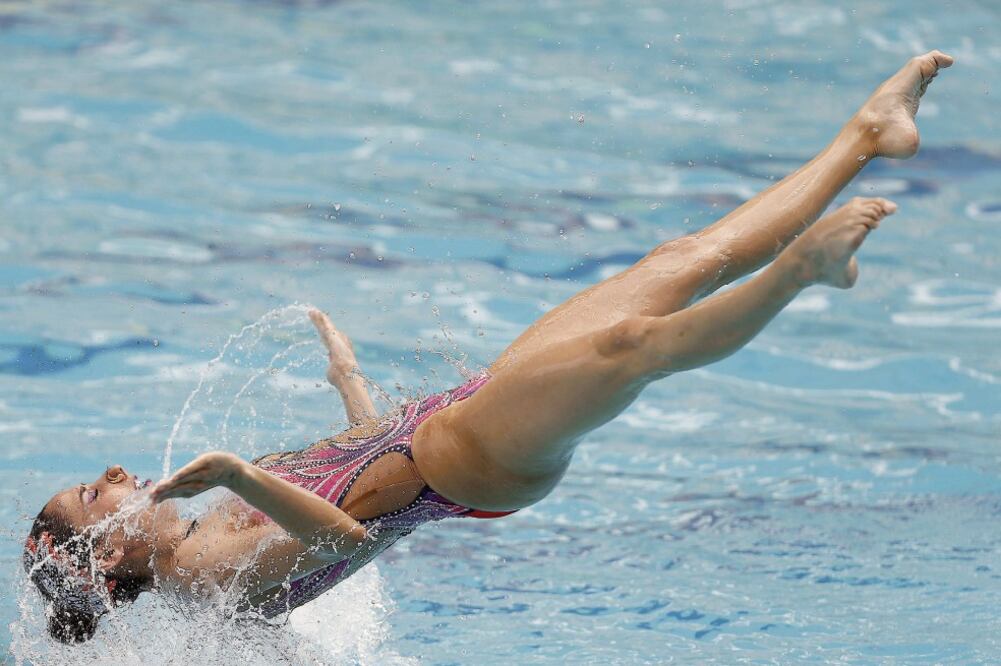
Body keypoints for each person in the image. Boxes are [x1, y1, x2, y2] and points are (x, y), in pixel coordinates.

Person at [23, 51, 953, 643]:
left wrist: (349, 384)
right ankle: (801, 272)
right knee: (634, 344)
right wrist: (233, 469)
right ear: (105, 561)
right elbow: (342, 533)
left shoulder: (192, 542)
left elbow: (350, 487)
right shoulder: (199, 574)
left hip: (449, 422)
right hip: (472, 464)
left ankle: (866, 135)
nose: (111, 473)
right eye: (93, 495)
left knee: (678, 261)